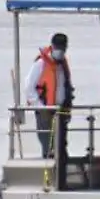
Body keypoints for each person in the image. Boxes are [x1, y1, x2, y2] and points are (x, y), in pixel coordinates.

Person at [22, 32, 73, 160]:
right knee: (48, 146)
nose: (61, 51)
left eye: (63, 48)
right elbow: (28, 87)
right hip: (45, 112)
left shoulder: (62, 65)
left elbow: (65, 86)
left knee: (61, 147)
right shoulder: (41, 63)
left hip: (61, 111)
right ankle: (49, 173)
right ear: (52, 46)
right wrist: (41, 107)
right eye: (58, 48)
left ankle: (61, 174)